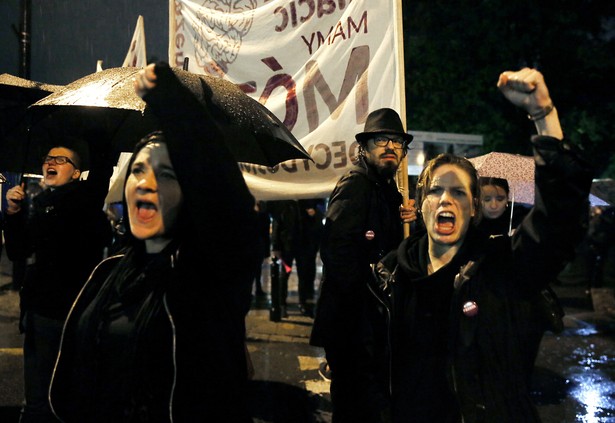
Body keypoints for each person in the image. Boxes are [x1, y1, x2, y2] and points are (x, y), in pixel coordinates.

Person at [371, 68, 593, 422]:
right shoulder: (389, 276)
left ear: (473, 207)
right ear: (420, 203)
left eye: (458, 191)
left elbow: (558, 224)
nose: (446, 199)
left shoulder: (501, 267)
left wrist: (543, 117)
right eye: (435, 191)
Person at [48, 62, 259, 422]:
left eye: (166, 175)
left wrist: (173, 103)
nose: (146, 183)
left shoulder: (209, 275)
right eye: (139, 171)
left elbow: (227, 204)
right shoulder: (111, 270)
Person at [310, 108, 417, 422]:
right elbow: (335, 250)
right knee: (355, 406)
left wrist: (410, 221)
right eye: (381, 140)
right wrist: (368, 299)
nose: (389, 148)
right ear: (366, 148)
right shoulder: (357, 183)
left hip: (372, 324)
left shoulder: (389, 191)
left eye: (396, 143)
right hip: (353, 324)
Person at [4, 137, 112, 422]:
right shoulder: (40, 202)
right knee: (37, 395)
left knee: (65, 395)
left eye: (60, 159)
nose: (50, 162)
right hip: (37, 309)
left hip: (67, 313)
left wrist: (98, 133)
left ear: (76, 172)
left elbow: (99, 179)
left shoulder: (82, 199)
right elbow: (18, 252)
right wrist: (13, 213)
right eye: (48, 159)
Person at [270, 198, 325, 317]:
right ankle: (282, 304)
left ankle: (303, 303)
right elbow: (277, 224)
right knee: (284, 276)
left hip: (303, 248)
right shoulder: (285, 204)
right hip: (287, 248)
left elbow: (318, 225)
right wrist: (276, 247)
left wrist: (314, 215)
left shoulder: (309, 203)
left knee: (303, 276)